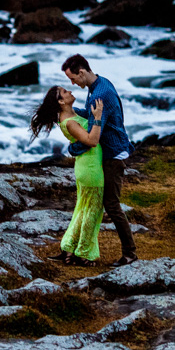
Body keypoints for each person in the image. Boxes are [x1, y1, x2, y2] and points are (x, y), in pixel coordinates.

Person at [62, 53, 138, 267]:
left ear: (82, 72)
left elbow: (92, 136)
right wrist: (67, 111)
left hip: (113, 155)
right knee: (108, 204)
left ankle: (130, 254)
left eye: (73, 78)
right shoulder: (100, 83)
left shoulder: (99, 94)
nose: (72, 83)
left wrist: (72, 147)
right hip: (114, 150)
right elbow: (89, 114)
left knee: (112, 205)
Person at [29, 86, 105, 266]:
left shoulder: (71, 116)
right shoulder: (68, 121)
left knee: (83, 209)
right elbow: (92, 141)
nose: (70, 91)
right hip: (90, 169)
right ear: (61, 102)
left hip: (88, 167)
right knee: (92, 211)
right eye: (64, 92)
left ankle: (69, 247)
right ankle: (84, 253)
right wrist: (98, 117)